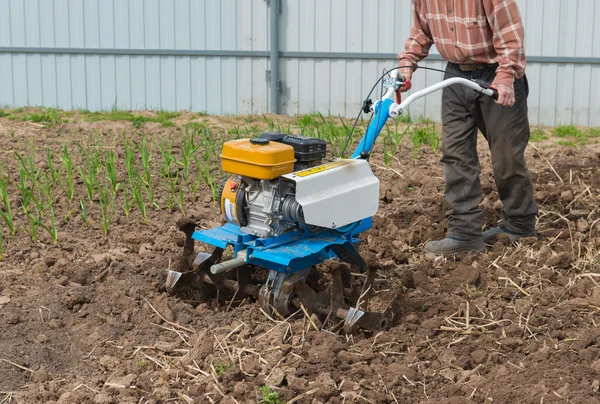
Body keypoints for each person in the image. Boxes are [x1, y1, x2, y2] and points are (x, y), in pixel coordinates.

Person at [396, 0, 538, 255]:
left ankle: (519, 224)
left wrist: (506, 78)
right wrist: (406, 65)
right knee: (456, 154)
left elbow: (510, 34)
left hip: (496, 74)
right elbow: (421, 32)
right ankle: (464, 233)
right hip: (456, 76)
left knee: (507, 158)